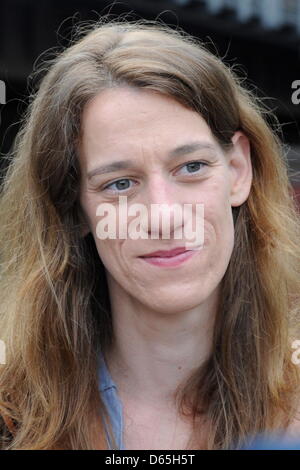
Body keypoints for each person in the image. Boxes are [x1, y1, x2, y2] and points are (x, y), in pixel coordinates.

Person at [0, 16, 299, 450]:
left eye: (191, 167)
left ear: (237, 171)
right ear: (72, 206)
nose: (163, 215)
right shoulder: (11, 412)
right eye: (119, 183)